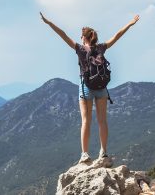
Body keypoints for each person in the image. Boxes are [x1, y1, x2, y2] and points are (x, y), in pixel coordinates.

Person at [40, 12, 139, 163]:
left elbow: (63, 34)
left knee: (86, 121)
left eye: (81, 37)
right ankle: (104, 152)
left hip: (86, 88)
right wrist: (130, 24)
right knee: (102, 121)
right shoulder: (101, 48)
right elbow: (117, 35)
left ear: (84, 38)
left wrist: (48, 23)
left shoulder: (79, 49)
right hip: (102, 88)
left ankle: (85, 154)